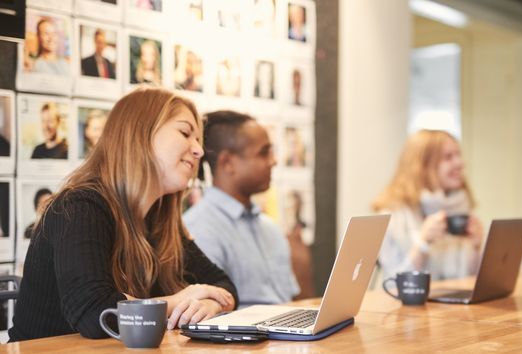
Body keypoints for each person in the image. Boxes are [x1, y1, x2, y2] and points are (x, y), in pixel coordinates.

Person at [9, 87, 237, 342]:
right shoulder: (79, 207)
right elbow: (97, 314)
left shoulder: (157, 220)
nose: (199, 150)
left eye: (199, 140)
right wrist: (180, 301)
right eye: (185, 133)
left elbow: (223, 284)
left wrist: (210, 305)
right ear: (140, 134)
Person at [183, 110, 314, 307]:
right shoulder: (199, 229)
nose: (274, 161)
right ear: (228, 163)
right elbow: (210, 318)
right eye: (264, 153)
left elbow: (293, 301)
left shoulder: (270, 229)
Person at [373, 129, 484, 281]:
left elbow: (470, 281)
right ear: (422, 166)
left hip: (456, 303)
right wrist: (423, 244)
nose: (460, 163)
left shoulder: (461, 208)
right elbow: (393, 284)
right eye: (448, 157)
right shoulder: (392, 217)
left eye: (458, 155)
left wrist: (477, 248)